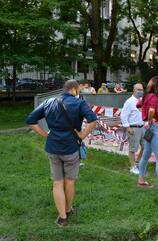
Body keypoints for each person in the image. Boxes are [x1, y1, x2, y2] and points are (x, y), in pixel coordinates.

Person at [25, 79, 98, 227]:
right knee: (70, 181)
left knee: (57, 182)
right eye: (78, 90)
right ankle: (68, 209)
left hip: (53, 147)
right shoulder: (79, 103)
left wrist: (45, 134)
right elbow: (93, 120)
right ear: (74, 89)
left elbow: (31, 120)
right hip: (71, 147)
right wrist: (82, 135)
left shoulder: (48, 101)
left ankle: (62, 217)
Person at [120, 83, 145, 174]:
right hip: (134, 128)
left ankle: (137, 163)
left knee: (145, 147)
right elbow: (123, 115)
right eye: (138, 89)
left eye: (141, 89)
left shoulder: (142, 100)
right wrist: (127, 127)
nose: (140, 91)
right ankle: (133, 167)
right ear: (134, 90)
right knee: (133, 149)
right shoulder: (129, 102)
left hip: (142, 127)